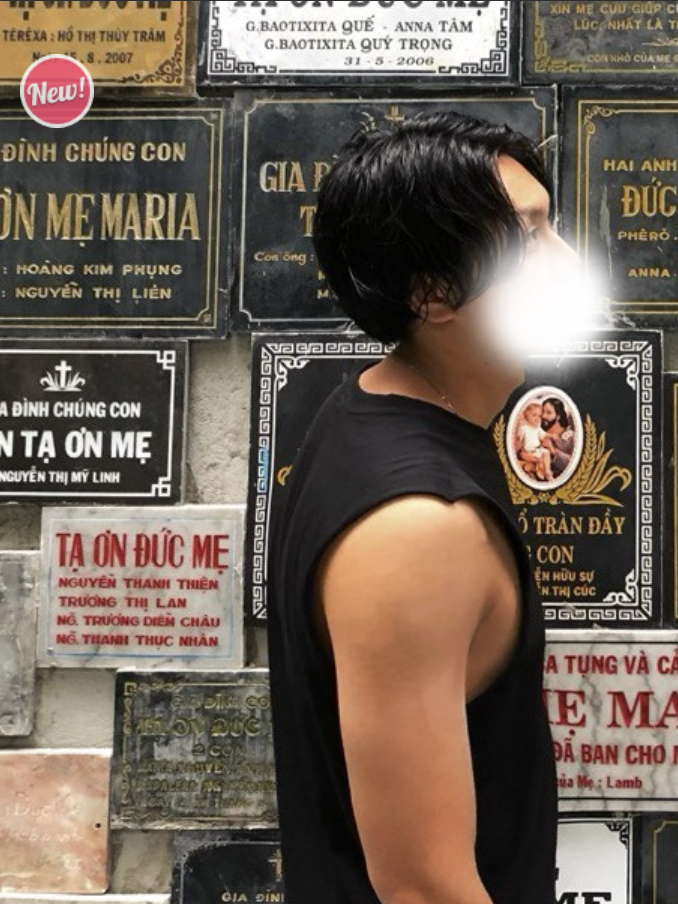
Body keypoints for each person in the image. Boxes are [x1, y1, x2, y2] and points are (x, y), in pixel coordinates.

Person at [266, 111, 581, 904]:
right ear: (434, 292)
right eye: (529, 237)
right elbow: (422, 886)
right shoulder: (419, 523)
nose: (567, 260)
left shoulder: (378, 408)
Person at [516, 401, 556, 481]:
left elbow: (544, 434)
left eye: (539, 416)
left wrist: (551, 436)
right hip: (528, 452)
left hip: (537, 449)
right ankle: (538, 469)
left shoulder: (538, 429)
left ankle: (547, 470)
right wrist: (518, 435)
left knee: (546, 452)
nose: (537, 418)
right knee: (537, 460)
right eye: (534, 415)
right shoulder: (524, 428)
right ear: (527, 416)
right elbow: (518, 438)